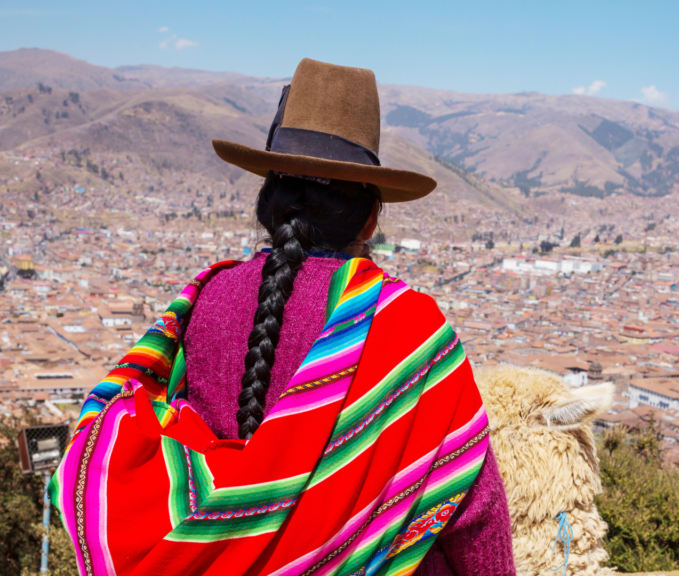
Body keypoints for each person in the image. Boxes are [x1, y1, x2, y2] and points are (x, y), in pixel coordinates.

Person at [49, 59, 515, 576]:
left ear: (267, 203)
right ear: (371, 216)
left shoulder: (208, 296)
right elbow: (474, 510)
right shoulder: (409, 330)